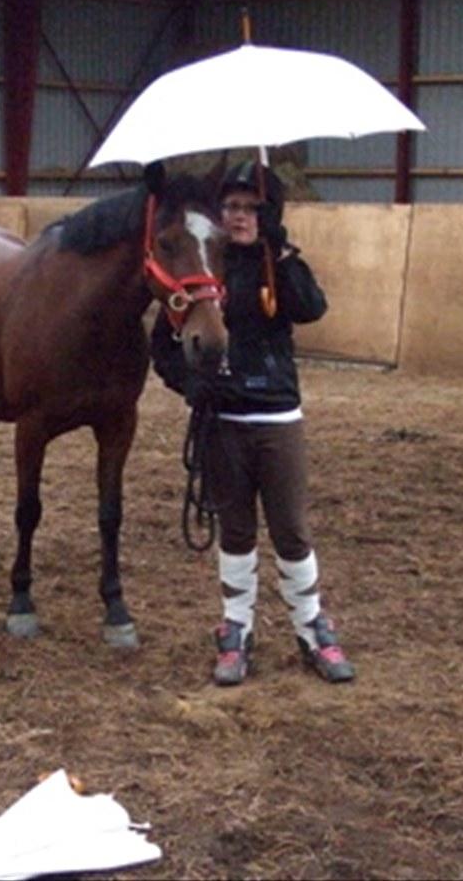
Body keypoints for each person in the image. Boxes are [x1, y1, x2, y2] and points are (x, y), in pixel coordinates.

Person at [151, 160, 355, 686]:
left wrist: (282, 253)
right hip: (224, 421)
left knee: (291, 530)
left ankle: (312, 627)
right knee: (236, 532)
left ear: (268, 214)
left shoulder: (277, 264)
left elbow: (312, 308)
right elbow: (164, 347)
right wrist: (191, 386)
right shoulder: (204, 266)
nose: (239, 217)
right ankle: (235, 630)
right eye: (232, 207)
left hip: (277, 417)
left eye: (250, 208)